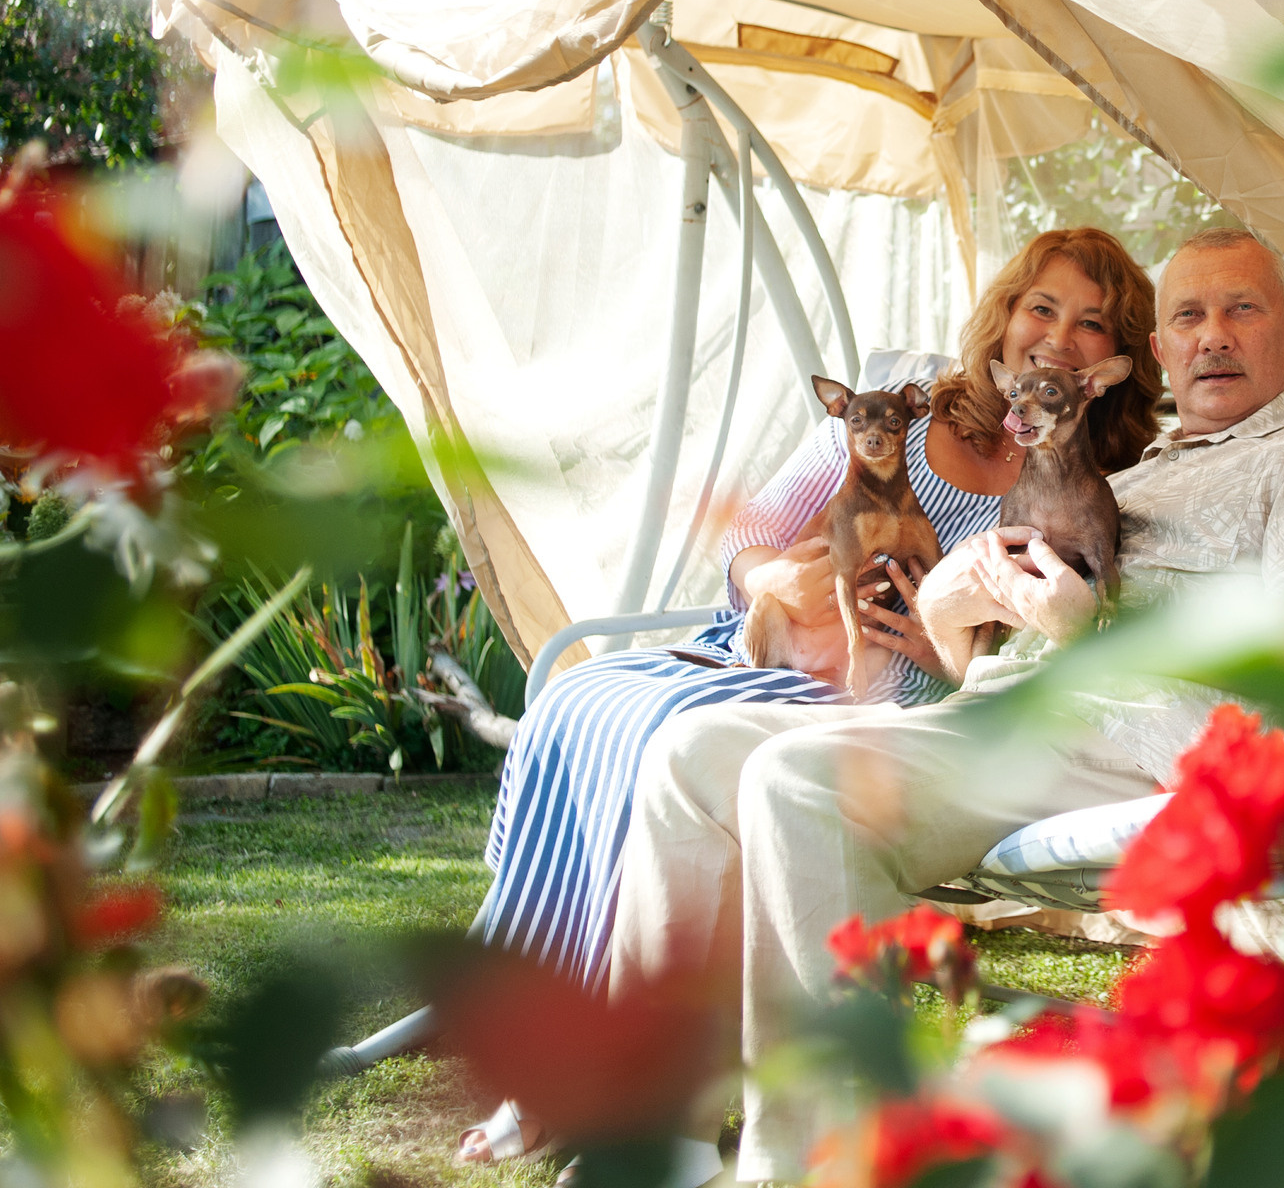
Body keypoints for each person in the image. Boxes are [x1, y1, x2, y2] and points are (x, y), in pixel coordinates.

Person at [606, 228, 1284, 1185]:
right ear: (1160, 350)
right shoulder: (1133, 472)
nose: (1213, 336)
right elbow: (976, 656)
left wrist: (1088, 634)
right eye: (1189, 316)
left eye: (1243, 309)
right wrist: (955, 602)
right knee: (694, 752)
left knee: (800, 780)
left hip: (1135, 742)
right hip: (1003, 716)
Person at [456, 228, 1158, 1165]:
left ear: (1113, 359)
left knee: (673, 733)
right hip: (769, 652)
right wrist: (775, 581)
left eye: (1091, 324)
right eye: (1043, 308)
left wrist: (949, 646)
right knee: (588, 704)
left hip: (898, 703)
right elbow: (748, 540)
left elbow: (1024, 649)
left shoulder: (1088, 481)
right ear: (1004, 319)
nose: (1060, 339)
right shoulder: (899, 419)